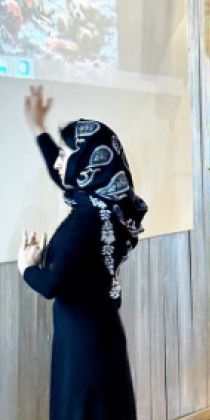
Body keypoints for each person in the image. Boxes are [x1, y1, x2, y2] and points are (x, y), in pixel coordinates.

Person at [18, 85, 147, 420]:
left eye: (66, 154)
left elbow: (51, 284)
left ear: (85, 164)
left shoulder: (84, 220)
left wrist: (27, 267)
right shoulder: (107, 204)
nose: (59, 160)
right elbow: (63, 175)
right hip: (101, 334)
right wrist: (39, 130)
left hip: (81, 344)